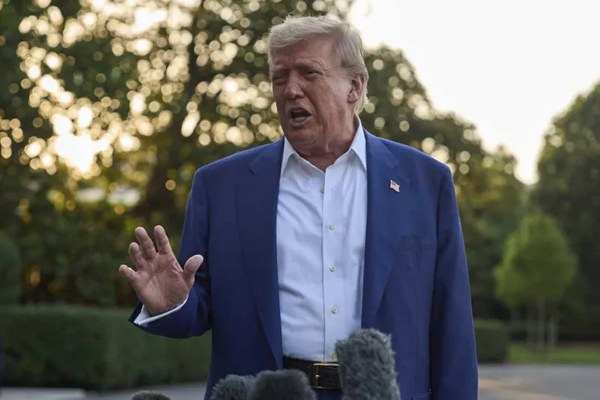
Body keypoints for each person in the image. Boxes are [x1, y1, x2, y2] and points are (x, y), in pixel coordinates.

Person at [120, 15, 478, 400]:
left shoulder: (425, 182)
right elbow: (199, 304)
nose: (291, 89)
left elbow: (452, 321)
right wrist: (174, 305)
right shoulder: (221, 186)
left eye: (309, 73)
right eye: (280, 77)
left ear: (355, 86)